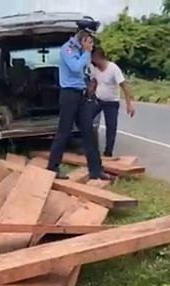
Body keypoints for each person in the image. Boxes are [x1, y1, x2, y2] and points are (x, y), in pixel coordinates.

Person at [46, 24, 108, 180]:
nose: (91, 44)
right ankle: (52, 168)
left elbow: (84, 70)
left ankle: (96, 170)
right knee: (64, 132)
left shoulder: (80, 50)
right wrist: (86, 53)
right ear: (83, 39)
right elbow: (75, 68)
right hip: (69, 95)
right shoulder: (67, 49)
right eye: (90, 41)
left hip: (81, 94)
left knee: (88, 131)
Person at [88, 47, 135, 158]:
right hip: (98, 100)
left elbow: (125, 87)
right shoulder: (94, 68)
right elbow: (94, 81)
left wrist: (129, 104)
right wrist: (90, 91)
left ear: (98, 58)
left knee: (111, 127)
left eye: (93, 59)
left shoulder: (113, 69)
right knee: (85, 118)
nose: (92, 62)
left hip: (112, 103)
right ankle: (89, 146)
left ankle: (108, 152)